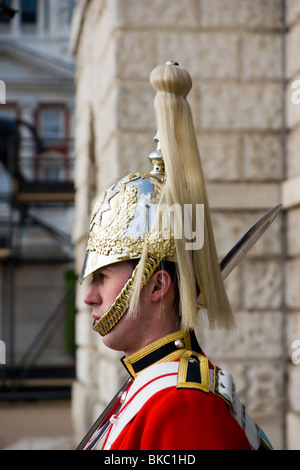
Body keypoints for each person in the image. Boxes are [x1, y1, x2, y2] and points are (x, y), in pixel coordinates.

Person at [80, 61, 273, 450]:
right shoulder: (152, 384)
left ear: (157, 284)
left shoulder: (183, 404)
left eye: (102, 277)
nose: (90, 296)